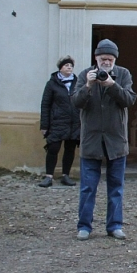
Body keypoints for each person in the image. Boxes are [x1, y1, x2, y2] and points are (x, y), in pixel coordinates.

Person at [73, 39, 137, 241]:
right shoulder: (85, 75)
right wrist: (88, 85)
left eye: (110, 59)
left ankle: (115, 225)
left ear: (115, 60)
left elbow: (129, 100)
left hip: (116, 141)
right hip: (91, 140)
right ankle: (84, 226)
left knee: (116, 188)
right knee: (87, 187)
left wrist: (112, 84)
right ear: (96, 59)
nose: (106, 62)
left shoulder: (123, 74)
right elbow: (75, 102)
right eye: (103, 59)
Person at [38, 56, 81, 187]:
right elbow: (45, 104)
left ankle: (65, 175)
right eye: (66, 65)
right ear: (60, 67)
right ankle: (48, 176)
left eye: (71, 65)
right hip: (57, 121)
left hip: (73, 122)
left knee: (70, 149)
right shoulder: (52, 83)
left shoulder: (77, 82)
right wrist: (44, 125)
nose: (69, 67)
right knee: (53, 148)